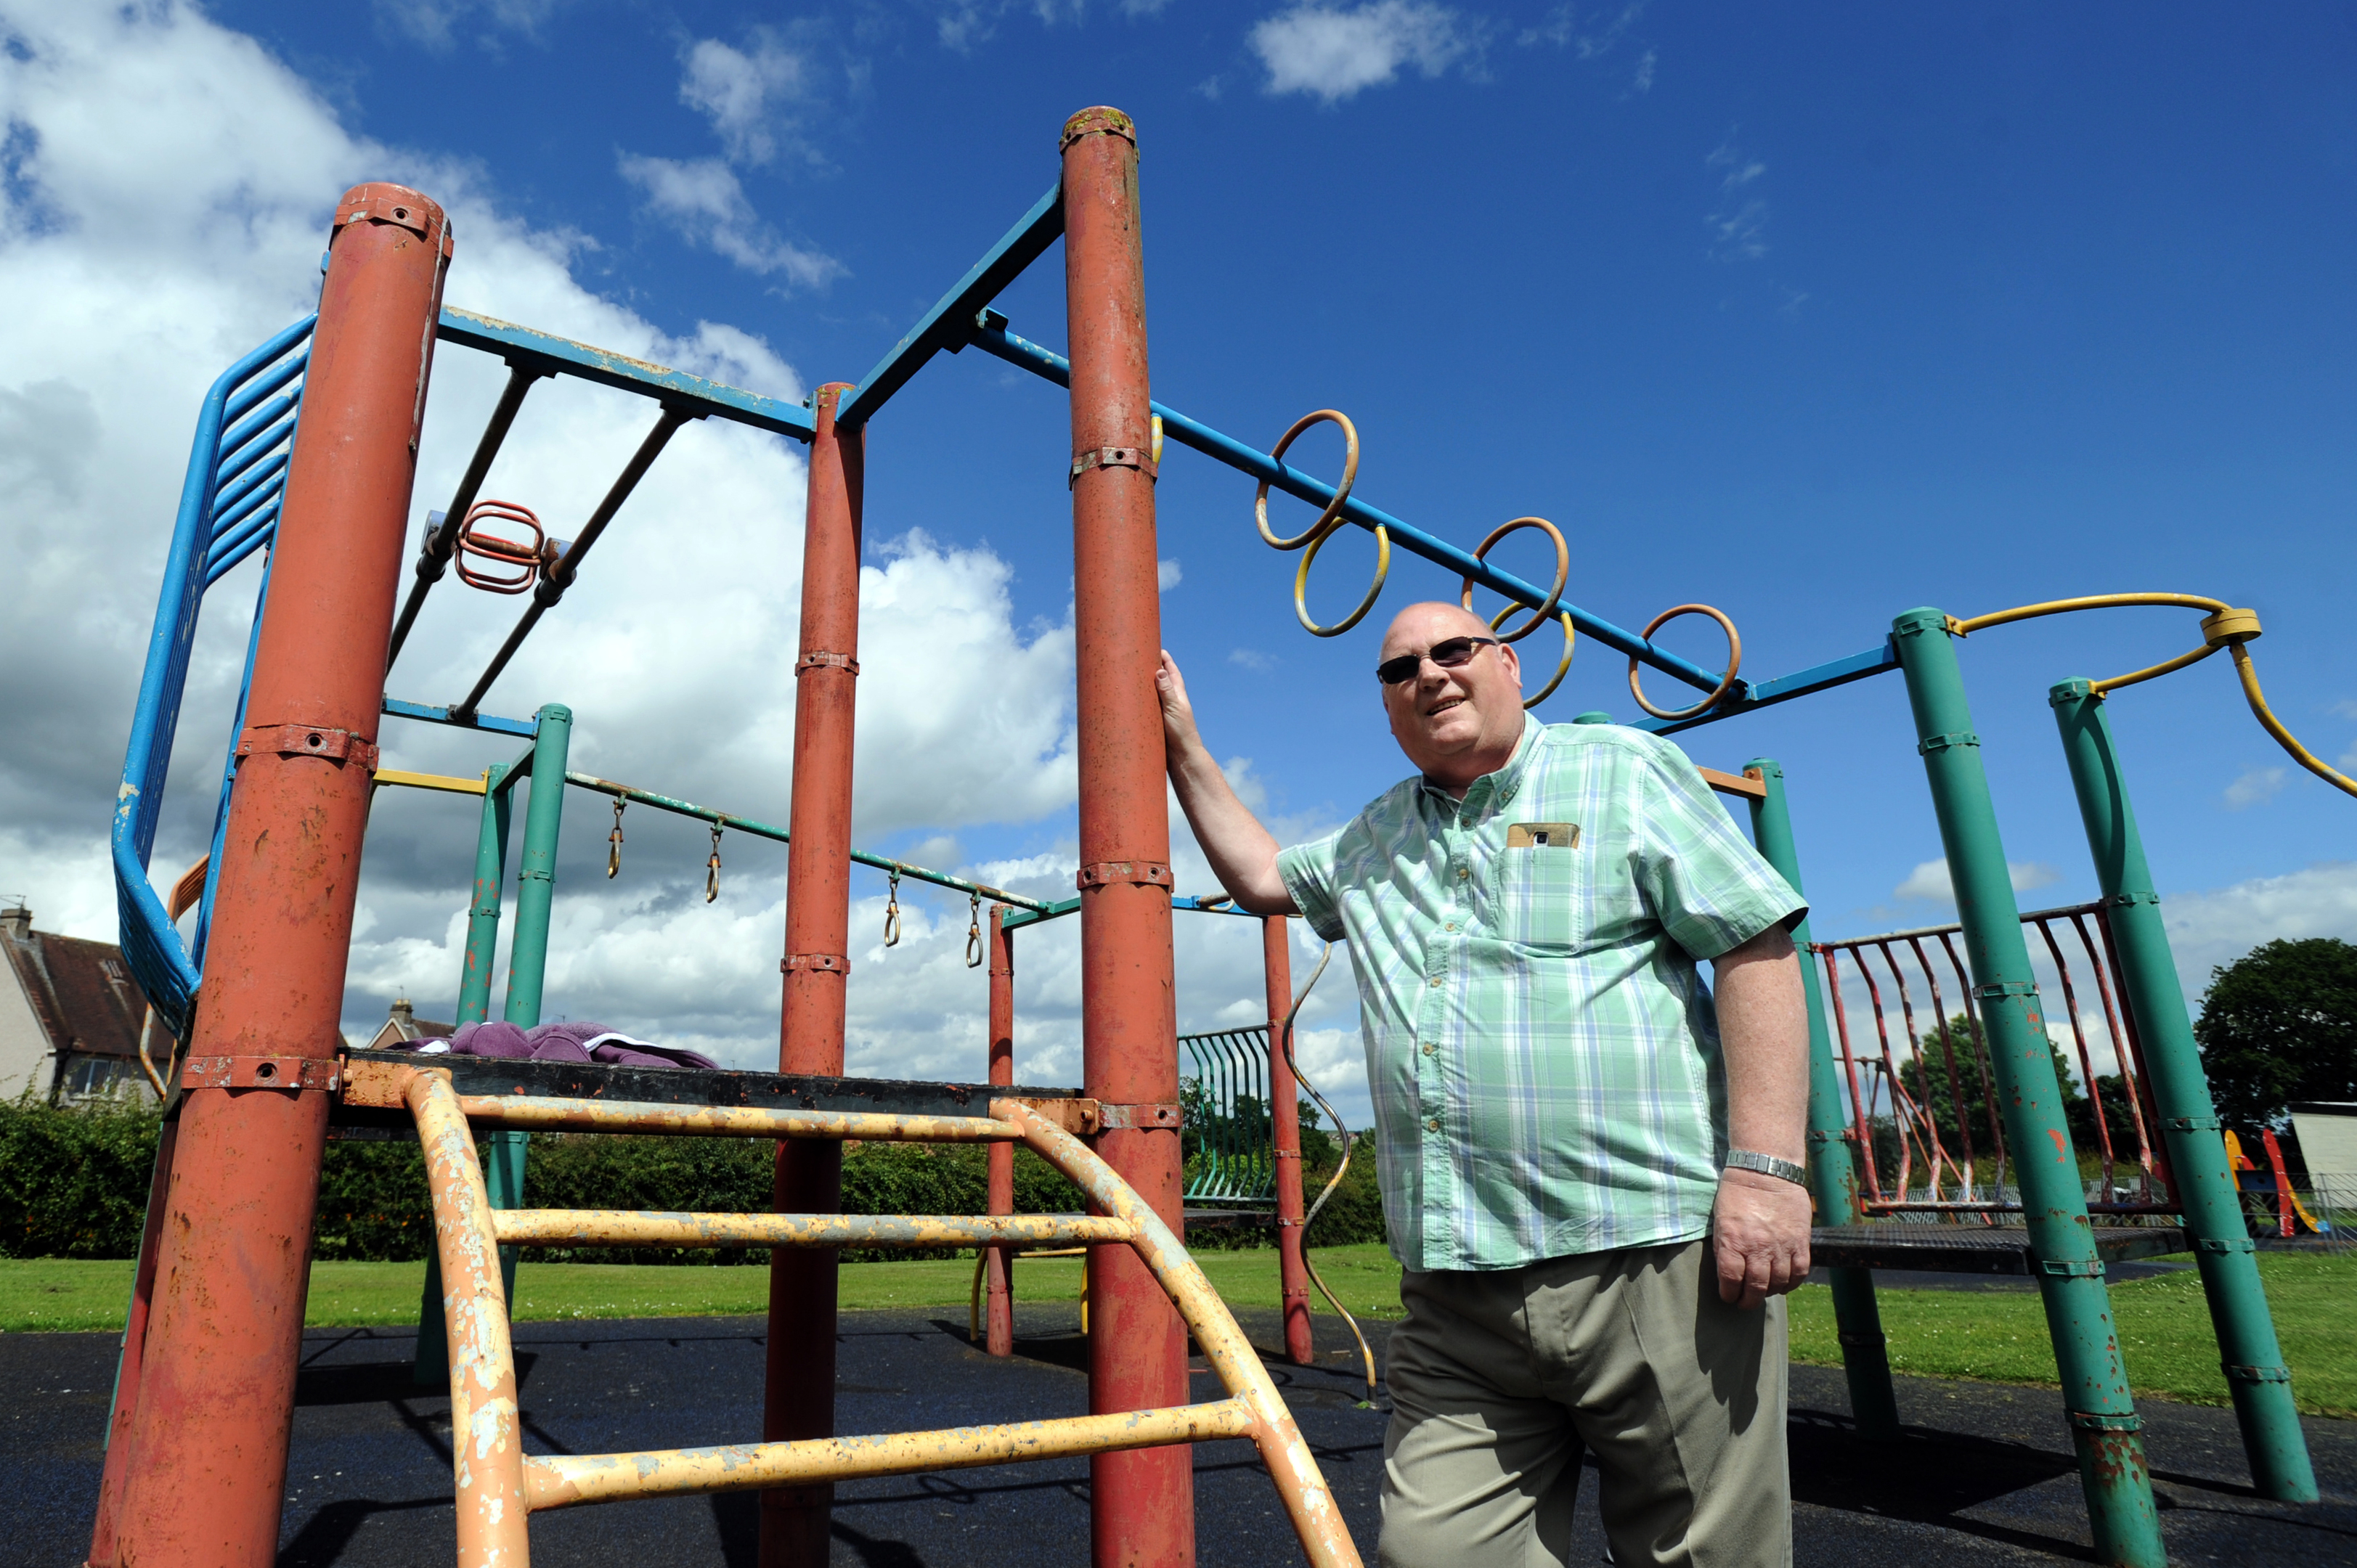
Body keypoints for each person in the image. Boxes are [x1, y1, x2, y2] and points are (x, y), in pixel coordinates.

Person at [1157, 600, 1814, 1568]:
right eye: (1399, 670)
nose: (1427, 674)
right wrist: (1181, 745)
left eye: (1452, 650)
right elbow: (1261, 874)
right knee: (1436, 1551)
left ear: (1509, 666)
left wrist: (1764, 1172)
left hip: (1645, 1255)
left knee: (1708, 1554)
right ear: (1388, 710)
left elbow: (1752, 943)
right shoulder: (1375, 836)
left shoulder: (1619, 772)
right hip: (1457, 1291)